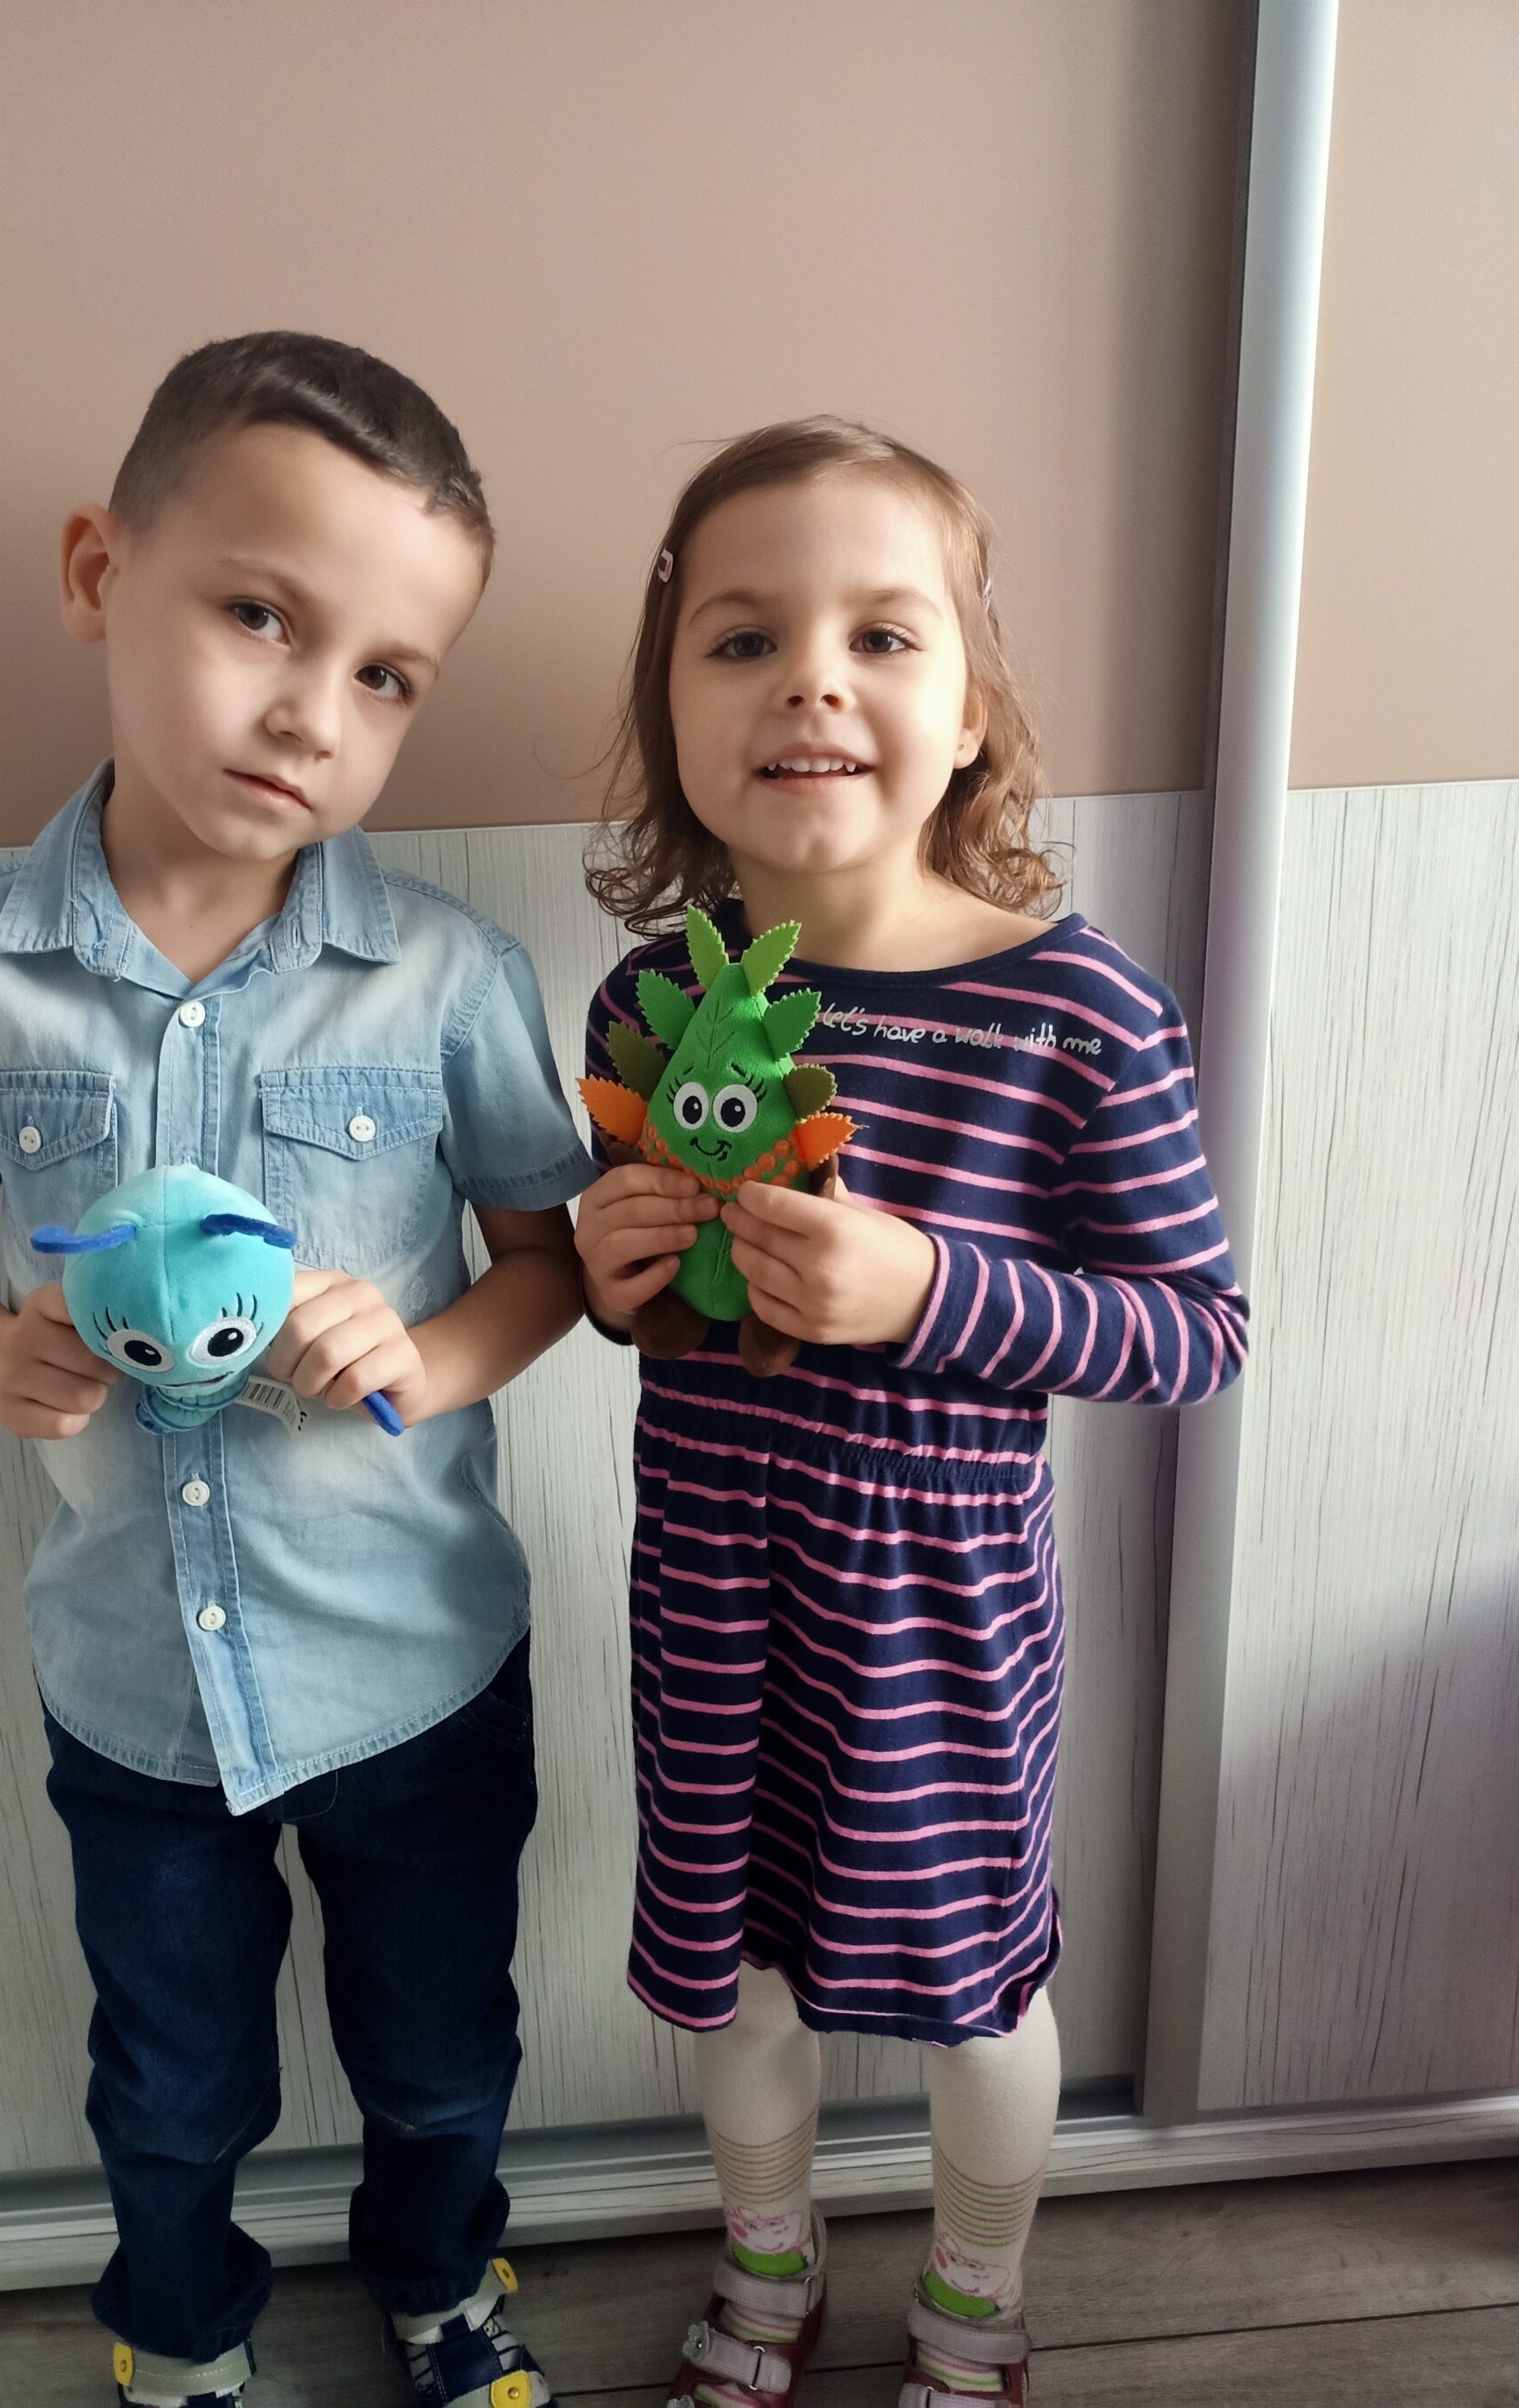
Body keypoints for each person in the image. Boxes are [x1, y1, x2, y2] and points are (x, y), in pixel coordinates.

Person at [0, 332, 593, 2408]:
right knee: (166, 2074)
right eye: (261, 615)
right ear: (99, 573)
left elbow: (549, 1270)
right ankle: (177, 2328)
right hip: (134, 1679)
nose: (314, 710)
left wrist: (420, 1351)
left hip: (415, 1662)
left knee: (443, 2051)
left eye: (388, 675)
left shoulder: (447, 979)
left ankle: (441, 2281)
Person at [574, 418, 1248, 2407]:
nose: (810, 682)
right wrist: (615, 1282)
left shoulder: (1078, 1012)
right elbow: (658, 1320)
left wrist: (931, 1291)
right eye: (743, 639)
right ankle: (767, 2272)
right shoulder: (642, 1009)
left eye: (880, 636)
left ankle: (973, 2304)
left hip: (939, 1619)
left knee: (975, 1994)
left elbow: (1196, 1333)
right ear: (673, 709)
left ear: (967, 716)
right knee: (731, 1972)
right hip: (709, 1590)